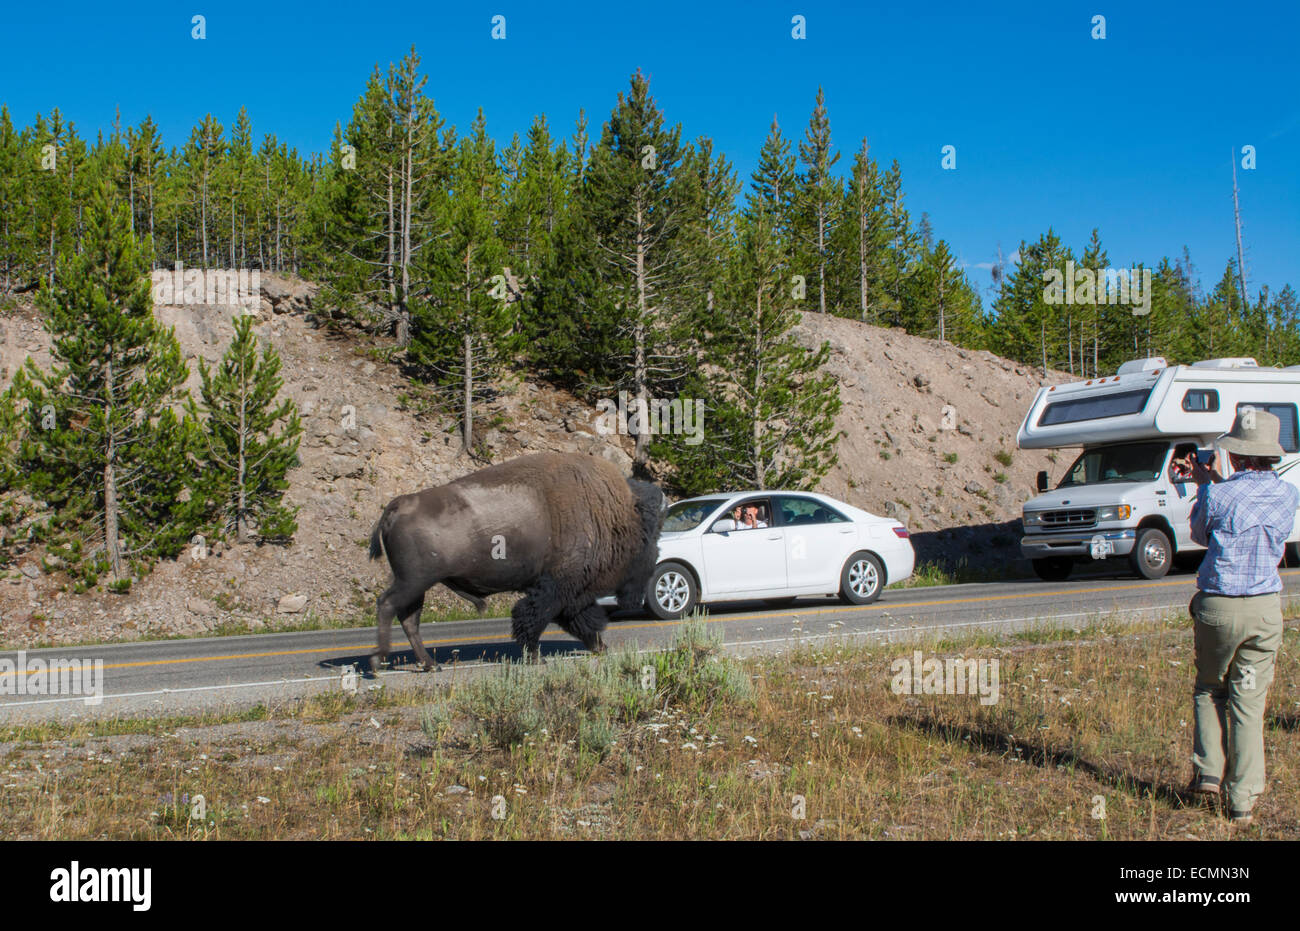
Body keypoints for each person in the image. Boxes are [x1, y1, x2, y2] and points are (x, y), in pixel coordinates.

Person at [1186, 408, 1299, 825]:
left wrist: (1203, 483)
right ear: (1270, 454)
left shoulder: (1218, 494)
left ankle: (1209, 772)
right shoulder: (1289, 494)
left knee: (1209, 688)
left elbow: (1201, 532)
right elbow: (1251, 509)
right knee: (1248, 705)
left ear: (1233, 455)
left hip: (1219, 606)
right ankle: (1242, 801)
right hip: (1264, 608)